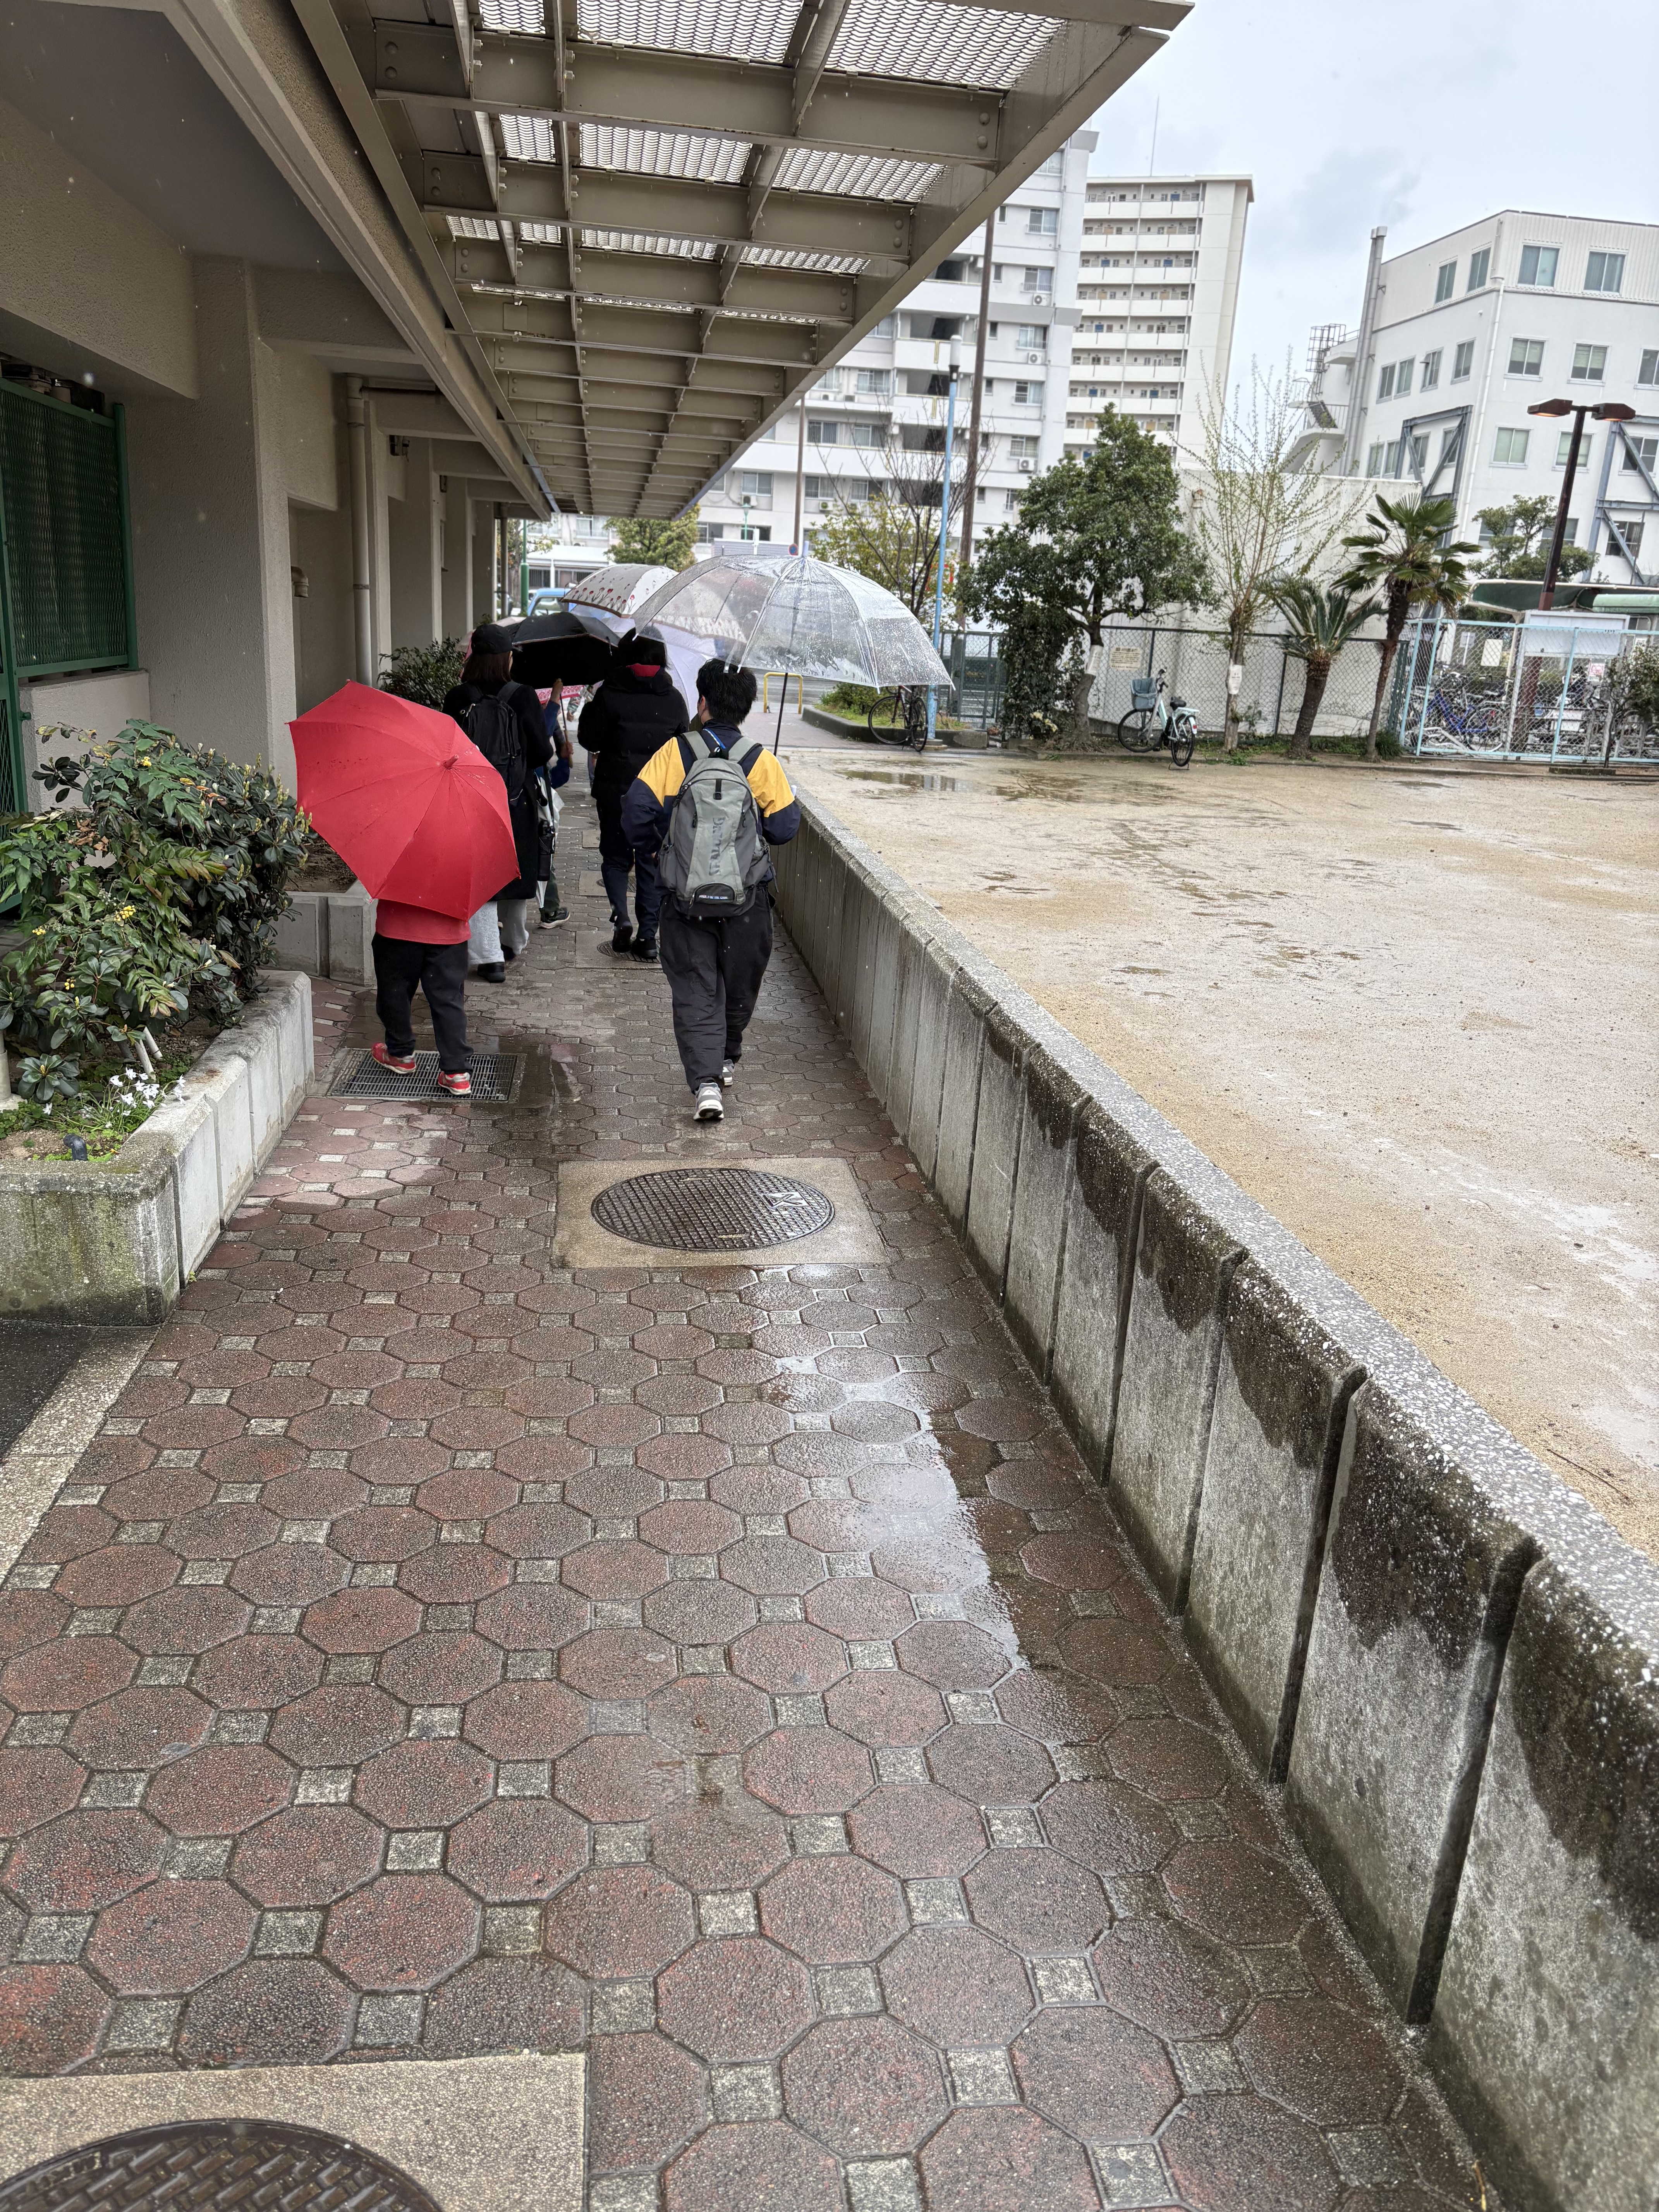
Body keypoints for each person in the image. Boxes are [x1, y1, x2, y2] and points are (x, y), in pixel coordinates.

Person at [622, 658, 799, 1123]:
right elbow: (784, 828)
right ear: (745, 708)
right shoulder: (761, 761)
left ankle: (706, 1084)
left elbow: (636, 813)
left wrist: (659, 856)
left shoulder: (674, 753)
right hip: (747, 900)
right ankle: (725, 1058)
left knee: (696, 987)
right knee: (740, 983)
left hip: (684, 899)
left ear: (702, 702)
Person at [442, 624, 555, 980]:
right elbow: (541, 752)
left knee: (481, 873)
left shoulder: (458, 697)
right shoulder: (522, 696)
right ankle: (510, 945)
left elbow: (445, 751)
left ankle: (488, 954)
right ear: (507, 658)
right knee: (516, 866)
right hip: (515, 797)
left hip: (469, 798)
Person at [579, 633, 687, 963]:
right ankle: (648, 938)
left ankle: (621, 917)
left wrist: (589, 708)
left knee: (614, 859)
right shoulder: (673, 700)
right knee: (651, 860)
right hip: (659, 796)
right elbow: (684, 747)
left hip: (616, 790)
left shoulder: (609, 694)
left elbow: (589, 739)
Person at [370, 895, 472, 1099]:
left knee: (394, 992)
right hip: (449, 929)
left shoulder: (395, 861)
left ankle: (400, 1053)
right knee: (449, 1001)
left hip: (398, 925)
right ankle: (457, 1072)